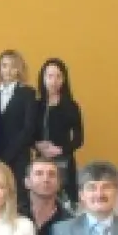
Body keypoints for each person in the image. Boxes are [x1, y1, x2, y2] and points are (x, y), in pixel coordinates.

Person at [33, 58, 83, 204]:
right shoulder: (36, 105)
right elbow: (29, 133)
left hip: (64, 161)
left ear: (64, 79)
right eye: (50, 76)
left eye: (58, 76)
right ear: (43, 78)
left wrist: (60, 150)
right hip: (41, 160)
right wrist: (37, 145)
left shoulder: (71, 105)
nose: (54, 81)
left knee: (66, 202)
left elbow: (79, 138)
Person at [0, 49, 37, 189]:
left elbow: (29, 127)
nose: (8, 70)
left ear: (19, 69)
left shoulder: (28, 93)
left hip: (19, 154)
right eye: (4, 66)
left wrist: (10, 152)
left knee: (18, 191)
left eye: (13, 66)